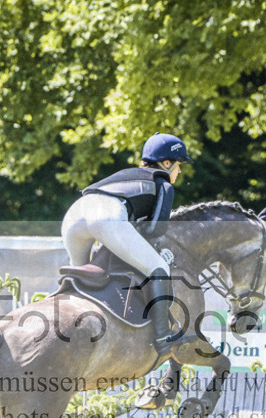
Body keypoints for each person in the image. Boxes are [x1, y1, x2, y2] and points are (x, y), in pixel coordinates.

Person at [60, 132, 193, 354]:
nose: (179, 171)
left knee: (80, 277)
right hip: (107, 216)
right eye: (179, 165)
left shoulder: (123, 174)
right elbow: (154, 229)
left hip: (75, 213)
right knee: (159, 268)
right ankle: (162, 337)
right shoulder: (163, 183)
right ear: (166, 163)